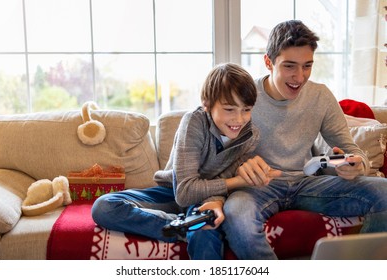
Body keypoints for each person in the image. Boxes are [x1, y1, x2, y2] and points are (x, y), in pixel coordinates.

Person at [220, 20, 387, 260]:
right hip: (258, 188)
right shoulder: (243, 96)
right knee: (236, 214)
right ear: (268, 62)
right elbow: (216, 153)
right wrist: (238, 165)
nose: (299, 77)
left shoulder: (320, 96)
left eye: (307, 66)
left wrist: (357, 164)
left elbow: (353, 150)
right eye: (290, 66)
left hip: (305, 183)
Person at [91, 62, 280, 259]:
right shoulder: (194, 122)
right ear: (208, 105)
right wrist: (240, 180)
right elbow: (184, 192)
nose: (239, 119)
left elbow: (222, 183)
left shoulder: (250, 136)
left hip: (208, 199)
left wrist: (215, 201)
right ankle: (181, 226)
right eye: (229, 109)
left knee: (203, 232)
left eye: (246, 109)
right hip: (172, 191)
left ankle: (190, 225)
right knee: (105, 206)